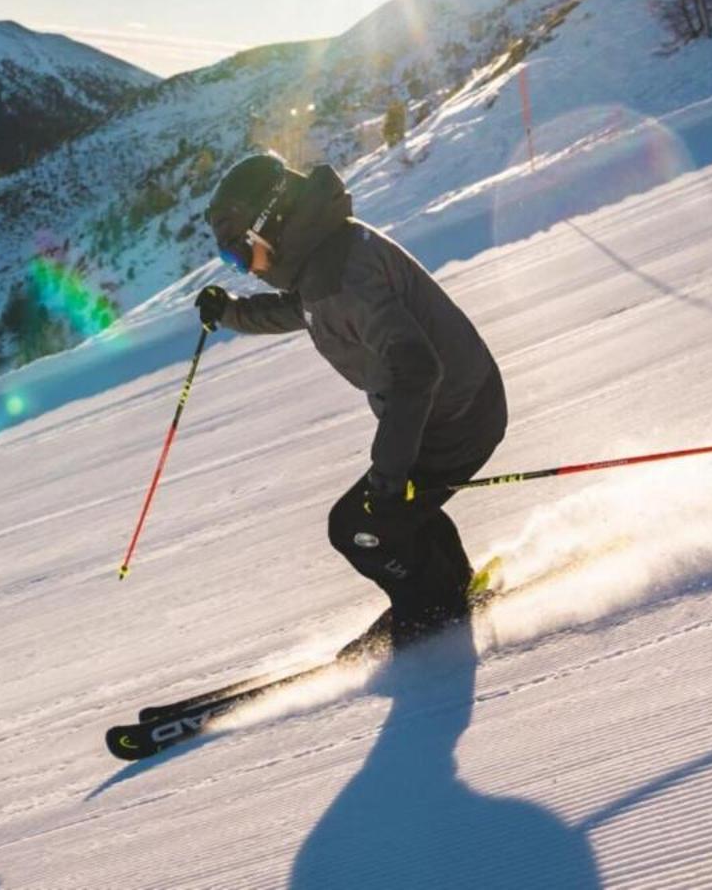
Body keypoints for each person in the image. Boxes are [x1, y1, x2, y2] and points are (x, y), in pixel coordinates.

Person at [195, 153, 508, 653]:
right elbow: (305, 310)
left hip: (455, 414)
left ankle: (431, 610)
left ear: (268, 224)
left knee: (360, 525)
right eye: (232, 262)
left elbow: (416, 369)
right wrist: (231, 312)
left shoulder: (339, 275)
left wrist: (388, 478)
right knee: (399, 509)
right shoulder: (323, 256)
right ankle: (443, 588)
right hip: (453, 404)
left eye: (239, 254)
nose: (245, 270)